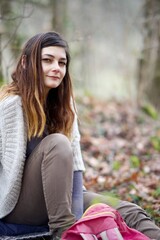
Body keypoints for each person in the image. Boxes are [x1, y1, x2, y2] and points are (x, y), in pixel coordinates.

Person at [0, 31, 159, 240]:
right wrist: (71, 225)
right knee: (57, 144)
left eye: (62, 63)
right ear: (25, 62)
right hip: (17, 208)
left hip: (62, 199)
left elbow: (75, 170)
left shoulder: (65, 107)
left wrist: (81, 215)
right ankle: (64, 233)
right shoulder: (10, 107)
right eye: (47, 60)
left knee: (128, 212)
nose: (56, 68)